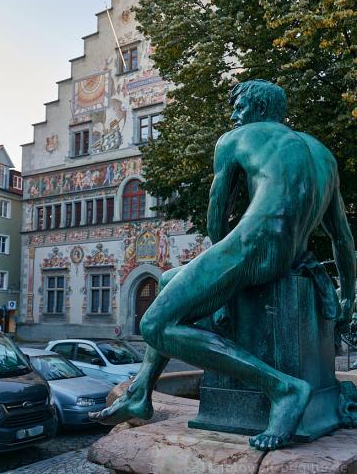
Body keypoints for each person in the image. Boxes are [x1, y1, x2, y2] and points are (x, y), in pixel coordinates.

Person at [90, 80, 355, 450]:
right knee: (167, 280)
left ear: (259, 110)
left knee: (155, 324)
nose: (234, 115)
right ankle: (140, 391)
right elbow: (343, 237)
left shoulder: (234, 140)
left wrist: (221, 288)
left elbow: (217, 220)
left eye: (240, 106)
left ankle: (283, 389)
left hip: (253, 245)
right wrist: (348, 297)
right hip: (287, 253)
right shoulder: (322, 154)